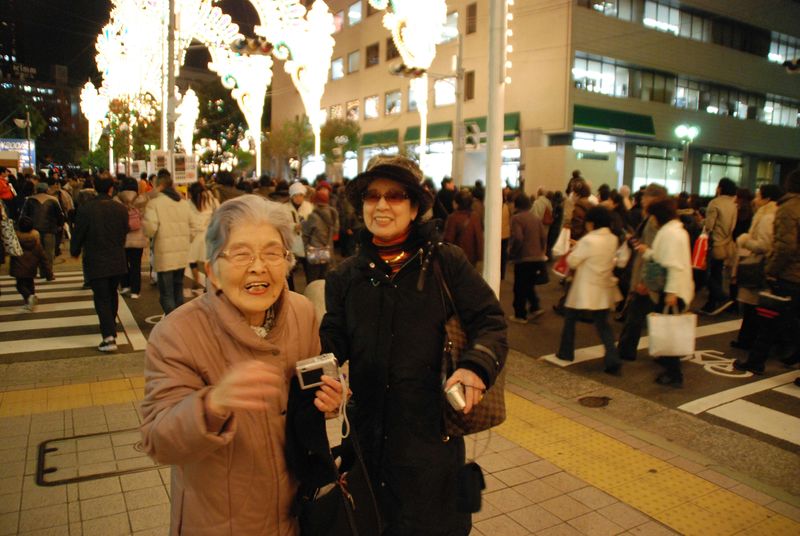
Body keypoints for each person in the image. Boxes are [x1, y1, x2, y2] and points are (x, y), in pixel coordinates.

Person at [320, 155, 507, 536]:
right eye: (372, 196)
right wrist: (322, 369)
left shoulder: (445, 263)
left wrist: (474, 367)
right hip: (368, 442)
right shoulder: (345, 276)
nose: (382, 206)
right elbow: (332, 338)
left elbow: (491, 321)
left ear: (416, 206)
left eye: (396, 196)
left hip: (431, 445)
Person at [139, 195, 344, 535]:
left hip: (297, 511)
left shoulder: (302, 313)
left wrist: (330, 400)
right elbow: (158, 440)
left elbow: (308, 396)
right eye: (241, 253)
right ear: (212, 272)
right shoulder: (176, 334)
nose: (258, 266)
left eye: (272, 253)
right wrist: (213, 404)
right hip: (223, 520)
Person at [736, 169, 800, 374]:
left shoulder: (788, 208)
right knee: (790, 320)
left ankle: (756, 362)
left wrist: (771, 270)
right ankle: (791, 355)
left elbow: (785, 247)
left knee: (770, 320)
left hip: (789, 274)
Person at [556, 206, 623, 374]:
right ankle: (612, 358)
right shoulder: (613, 238)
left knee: (570, 319)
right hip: (603, 287)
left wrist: (575, 248)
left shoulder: (589, 240)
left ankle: (566, 352)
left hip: (584, 287)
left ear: (592, 223)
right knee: (603, 325)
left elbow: (573, 262)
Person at [635, 198, 695, 386]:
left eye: (652, 215)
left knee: (670, 331)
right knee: (668, 329)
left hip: (673, 291)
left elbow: (674, 266)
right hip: (674, 288)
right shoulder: (674, 231)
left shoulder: (671, 234)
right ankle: (669, 365)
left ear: (658, 216)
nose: (650, 219)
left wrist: (671, 293)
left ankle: (674, 374)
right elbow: (664, 256)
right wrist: (647, 251)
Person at [70, 176, 129, 352]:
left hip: (96, 259)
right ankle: (111, 328)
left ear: (95, 187)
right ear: (111, 188)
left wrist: (75, 251)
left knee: (102, 298)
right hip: (117, 258)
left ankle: (109, 337)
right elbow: (123, 233)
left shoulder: (87, 209)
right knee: (112, 294)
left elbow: (79, 233)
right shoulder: (120, 209)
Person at [616, 184, 668, 361]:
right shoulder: (656, 218)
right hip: (652, 276)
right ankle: (666, 355)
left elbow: (652, 252)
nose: (642, 199)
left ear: (654, 199)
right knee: (650, 314)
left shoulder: (654, 220)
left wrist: (645, 281)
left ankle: (626, 352)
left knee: (636, 316)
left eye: (645, 197)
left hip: (648, 276)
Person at [729, 184, 782, 350]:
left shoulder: (767, 217)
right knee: (754, 307)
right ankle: (746, 339)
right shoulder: (770, 213)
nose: (756, 199)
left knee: (753, 307)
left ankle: (747, 341)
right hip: (762, 266)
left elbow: (765, 245)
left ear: (767, 199)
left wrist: (745, 241)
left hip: (759, 266)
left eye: (759, 196)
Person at [143, 169, 193, 315]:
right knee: (178, 288)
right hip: (181, 252)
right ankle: (179, 320)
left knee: (166, 293)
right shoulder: (184, 204)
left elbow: (150, 229)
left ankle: (172, 322)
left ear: (159, 186)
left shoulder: (155, 203)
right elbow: (193, 226)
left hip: (164, 253)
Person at [507, 194, 548, 323]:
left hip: (524, 258)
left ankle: (520, 315)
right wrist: (541, 251)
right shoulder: (535, 218)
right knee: (529, 284)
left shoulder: (516, 219)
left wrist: (512, 251)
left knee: (519, 287)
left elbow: (518, 238)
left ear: (516, 205)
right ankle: (535, 307)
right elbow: (543, 237)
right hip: (537, 257)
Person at [700, 177, 738, 315]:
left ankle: (721, 296)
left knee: (703, 273)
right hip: (726, 243)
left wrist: (700, 222)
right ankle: (711, 303)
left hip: (714, 244)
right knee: (717, 273)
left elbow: (709, 226)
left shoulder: (715, 203)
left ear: (720, 188)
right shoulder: (733, 204)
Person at [21, 181, 64, 279]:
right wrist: (60, 225)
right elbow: (60, 215)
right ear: (47, 189)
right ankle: (48, 272)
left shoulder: (29, 200)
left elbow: (23, 216)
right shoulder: (53, 200)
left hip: (33, 230)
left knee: (34, 252)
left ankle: (37, 271)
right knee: (49, 252)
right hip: (50, 229)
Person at [116, 178, 149, 299]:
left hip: (122, 237)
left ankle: (125, 286)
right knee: (136, 265)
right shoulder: (143, 199)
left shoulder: (117, 200)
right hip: (138, 238)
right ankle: (135, 291)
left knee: (123, 263)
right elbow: (146, 218)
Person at [10, 215, 51, 311]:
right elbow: (43, 258)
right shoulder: (36, 241)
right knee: (30, 283)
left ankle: (29, 298)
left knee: (20, 285)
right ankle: (29, 301)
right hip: (32, 267)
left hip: (19, 267)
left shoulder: (16, 241)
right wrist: (49, 273)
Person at [187, 181, 219, 292]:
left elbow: (187, 220)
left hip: (194, 236)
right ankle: (207, 282)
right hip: (208, 235)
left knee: (192, 259)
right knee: (208, 260)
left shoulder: (189, 204)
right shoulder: (212, 201)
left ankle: (196, 279)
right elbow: (218, 215)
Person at [302, 188, 338, 283]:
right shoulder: (333, 213)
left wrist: (305, 248)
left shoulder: (313, 216)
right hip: (327, 250)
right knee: (323, 279)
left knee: (313, 279)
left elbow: (306, 234)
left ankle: (312, 297)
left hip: (315, 251)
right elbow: (335, 231)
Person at [443, 189, 484, 266]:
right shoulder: (475, 217)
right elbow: (479, 238)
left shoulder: (453, 218)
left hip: (456, 257)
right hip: (471, 258)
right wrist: (479, 256)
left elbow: (448, 239)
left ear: (457, 203)